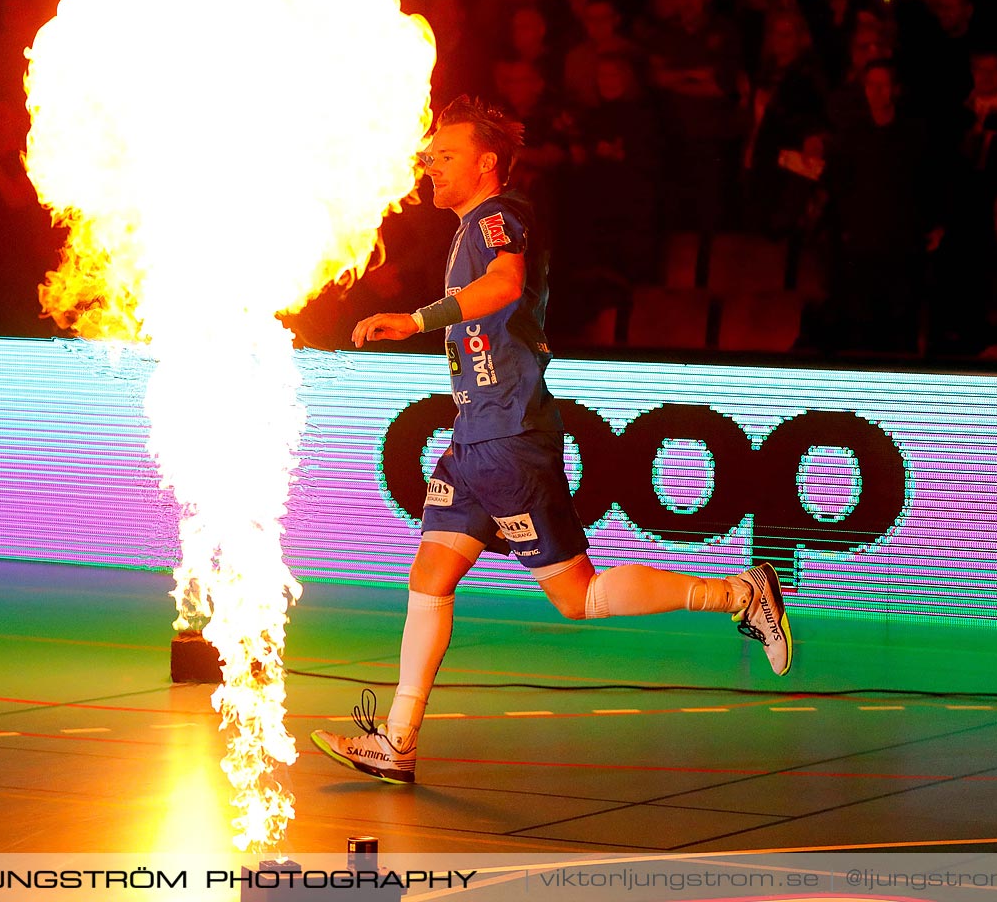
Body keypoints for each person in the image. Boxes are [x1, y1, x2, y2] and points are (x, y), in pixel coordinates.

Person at [310, 95, 792, 786]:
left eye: (445, 156)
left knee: (577, 597)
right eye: (430, 155)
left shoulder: (500, 217)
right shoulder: (468, 228)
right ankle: (398, 740)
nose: (431, 166)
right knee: (430, 576)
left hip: (509, 436)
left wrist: (416, 319)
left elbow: (504, 284)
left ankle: (741, 595)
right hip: (474, 436)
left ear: (485, 164)